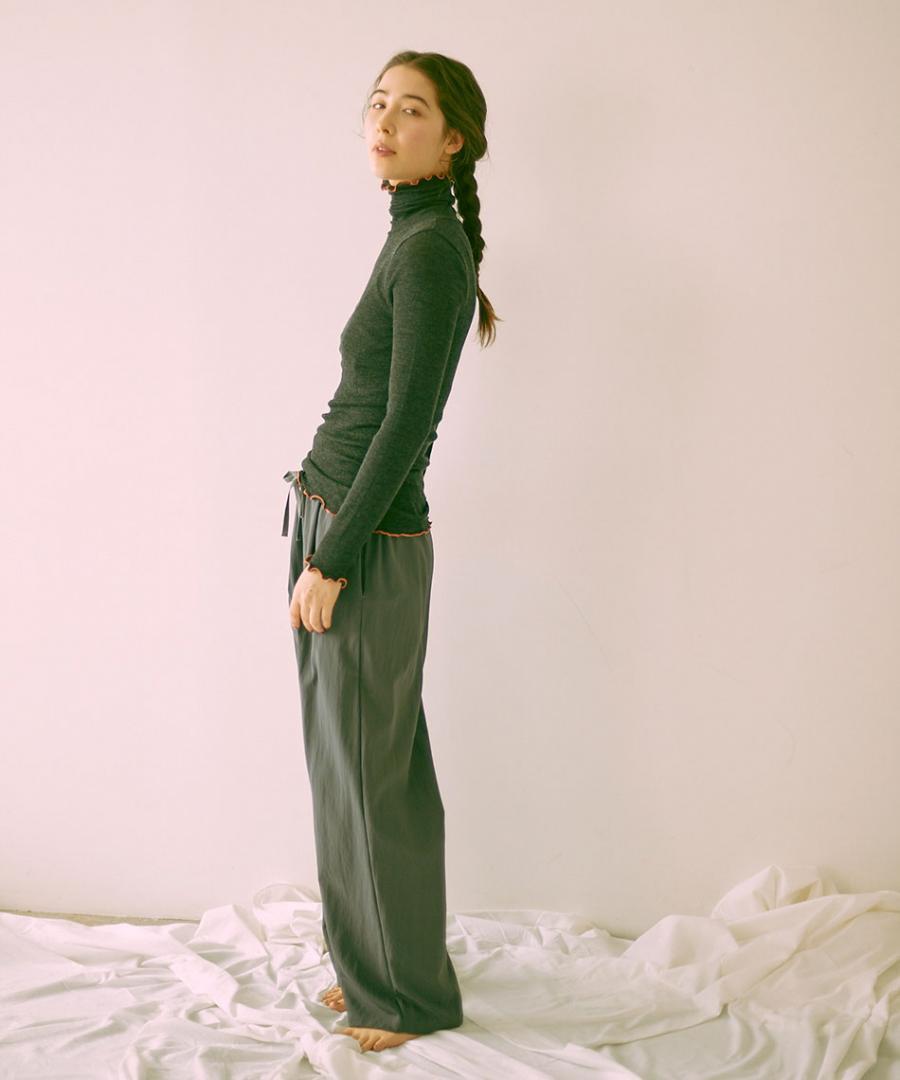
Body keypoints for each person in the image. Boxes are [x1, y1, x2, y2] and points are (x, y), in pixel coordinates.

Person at [281, 52, 500, 1054]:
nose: (385, 121)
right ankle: (374, 968)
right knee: (352, 769)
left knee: (373, 777)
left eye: (411, 110)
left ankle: (404, 996)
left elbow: (407, 424)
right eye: (377, 103)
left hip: (361, 538)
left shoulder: (430, 250)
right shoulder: (415, 234)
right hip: (338, 521)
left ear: (451, 140)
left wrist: (333, 558)